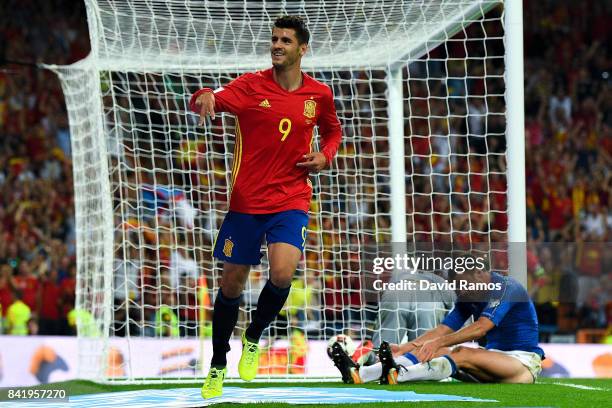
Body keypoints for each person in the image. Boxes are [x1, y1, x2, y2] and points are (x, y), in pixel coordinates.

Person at [189, 15, 342, 399]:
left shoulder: (319, 94)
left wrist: (325, 156)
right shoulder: (249, 85)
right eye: (274, 39)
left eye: (285, 40)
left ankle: (254, 336)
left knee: (283, 274)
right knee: (231, 286)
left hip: (291, 198)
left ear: (302, 48)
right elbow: (210, 98)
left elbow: (333, 130)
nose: (277, 45)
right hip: (246, 204)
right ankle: (218, 364)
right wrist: (204, 94)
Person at [332, 266, 544, 384]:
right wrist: (405, 347)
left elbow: (481, 327)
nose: (460, 291)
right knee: (439, 349)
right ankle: (363, 373)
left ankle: (400, 375)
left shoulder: (507, 288)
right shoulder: (468, 295)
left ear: (479, 273)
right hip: (491, 361)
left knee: (459, 351)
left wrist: (437, 343)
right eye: (457, 287)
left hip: (522, 364)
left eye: (463, 285)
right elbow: (442, 329)